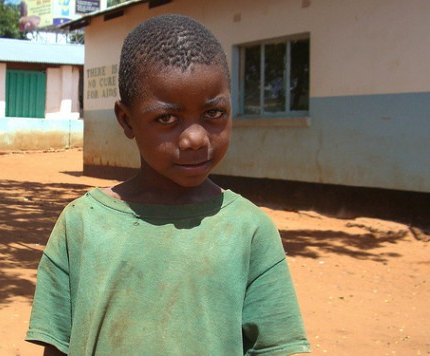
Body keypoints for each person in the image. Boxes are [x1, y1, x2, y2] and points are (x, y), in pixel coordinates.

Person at [26, 14, 311, 356]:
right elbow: (57, 347)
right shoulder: (82, 224)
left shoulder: (249, 231)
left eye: (214, 113)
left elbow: (273, 348)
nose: (194, 138)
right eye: (167, 118)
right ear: (126, 120)